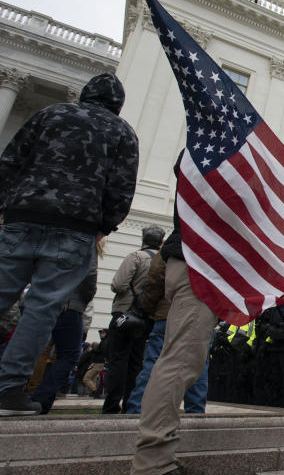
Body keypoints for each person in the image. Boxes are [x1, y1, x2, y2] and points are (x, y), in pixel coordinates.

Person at [0, 73, 139, 416]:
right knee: (42, 308)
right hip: (76, 227)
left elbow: (9, 162)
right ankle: (8, 388)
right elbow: (121, 189)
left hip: (22, 215)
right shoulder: (122, 132)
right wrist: (103, 227)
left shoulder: (50, 114)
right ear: (118, 105)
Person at [119, 151, 215, 475]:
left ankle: (158, 461)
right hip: (199, 259)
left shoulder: (204, 149)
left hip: (196, 258)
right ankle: (150, 468)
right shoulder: (211, 151)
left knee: (181, 361)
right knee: (179, 362)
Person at [125, 251, 211, 415]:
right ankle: (195, 413)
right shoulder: (211, 244)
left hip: (168, 315)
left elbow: (154, 282)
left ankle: (137, 409)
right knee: (197, 365)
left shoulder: (170, 249)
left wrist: (147, 308)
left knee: (155, 363)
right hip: (202, 316)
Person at [102, 224, 164, 414]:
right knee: (137, 361)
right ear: (161, 242)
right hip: (147, 316)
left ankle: (112, 404)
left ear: (143, 239)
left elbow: (118, 284)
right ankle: (131, 402)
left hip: (125, 313)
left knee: (118, 360)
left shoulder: (136, 257)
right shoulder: (163, 261)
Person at [31, 252, 99, 413]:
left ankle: (27, 391)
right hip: (69, 306)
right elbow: (89, 279)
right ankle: (41, 398)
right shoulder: (85, 242)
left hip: (42, 300)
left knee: (38, 351)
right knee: (68, 355)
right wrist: (84, 300)